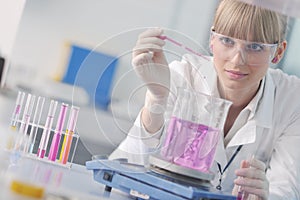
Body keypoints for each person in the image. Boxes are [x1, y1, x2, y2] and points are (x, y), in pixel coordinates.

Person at [109, 0, 300, 199]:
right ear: (212, 39)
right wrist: (157, 98)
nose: (237, 60)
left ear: (278, 52)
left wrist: (265, 196)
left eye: (254, 47)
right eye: (227, 41)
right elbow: (125, 170)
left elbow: (286, 190)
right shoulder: (183, 75)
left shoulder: (292, 99)